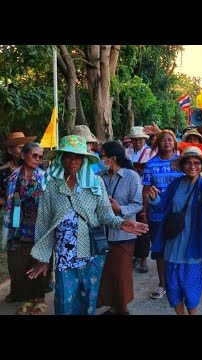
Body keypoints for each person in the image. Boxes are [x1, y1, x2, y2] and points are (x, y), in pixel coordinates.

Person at [26, 135, 148, 315]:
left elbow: (105, 215)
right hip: (64, 255)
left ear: (84, 159)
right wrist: (43, 258)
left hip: (92, 252)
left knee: (89, 299)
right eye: (68, 155)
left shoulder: (95, 182)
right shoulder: (51, 185)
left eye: (78, 156)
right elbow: (43, 222)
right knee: (65, 301)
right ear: (61, 158)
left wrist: (122, 224)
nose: (73, 160)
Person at [147, 146, 202, 315]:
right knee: (172, 287)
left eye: (196, 163)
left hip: (194, 245)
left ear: (201, 166)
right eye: (188, 162)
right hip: (173, 243)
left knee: (191, 289)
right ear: (182, 165)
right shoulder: (175, 184)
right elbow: (161, 205)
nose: (192, 166)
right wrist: (154, 198)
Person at [96, 141, 143, 315]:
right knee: (107, 272)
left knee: (121, 273)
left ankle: (122, 308)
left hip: (124, 234)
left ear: (112, 158)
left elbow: (138, 203)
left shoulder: (131, 176)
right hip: (103, 233)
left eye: (102, 156)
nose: (100, 159)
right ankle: (113, 306)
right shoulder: (100, 176)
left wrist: (119, 210)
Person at [2, 143, 48, 314]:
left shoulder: (44, 177)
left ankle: (40, 298)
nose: (38, 159)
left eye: (40, 157)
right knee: (20, 263)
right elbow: (8, 203)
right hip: (17, 227)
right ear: (23, 155)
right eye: (34, 155)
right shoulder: (12, 177)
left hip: (38, 227)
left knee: (38, 260)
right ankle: (28, 299)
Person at [142, 130, 183, 300]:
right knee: (160, 252)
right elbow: (146, 189)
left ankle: (178, 284)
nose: (167, 142)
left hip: (179, 214)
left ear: (175, 142)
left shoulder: (182, 162)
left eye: (170, 139)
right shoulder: (151, 164)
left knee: (179, 250)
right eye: (163, 139)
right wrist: (144, 211)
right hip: (157, 215)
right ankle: (162, 285)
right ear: (157, 143)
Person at [125, 126, 156, 274]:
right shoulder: (126, 153)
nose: (137, 142)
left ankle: (143, 257)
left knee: (143, 222)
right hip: (130, 191)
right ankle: (134, 254)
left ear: (144, 140)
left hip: (145, 191)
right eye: (135, 139)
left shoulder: (151, 152)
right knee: (131, 222)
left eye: (140, 139)